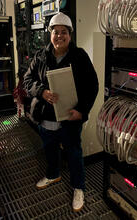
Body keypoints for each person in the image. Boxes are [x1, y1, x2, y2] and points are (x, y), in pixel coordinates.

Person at [23, 12, 98, 212]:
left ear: (70, 35)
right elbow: (27, 81)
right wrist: (42, 92)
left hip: (70, 117)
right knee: (49, 148)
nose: (59, 36)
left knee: (74, 153)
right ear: (50, 34)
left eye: (63, 32)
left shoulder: (79, 56)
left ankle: (78, 187)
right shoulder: (41, 56)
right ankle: (53, 173)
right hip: (46, 117)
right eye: (55, 32)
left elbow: (93, 86)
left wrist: (81, 111)